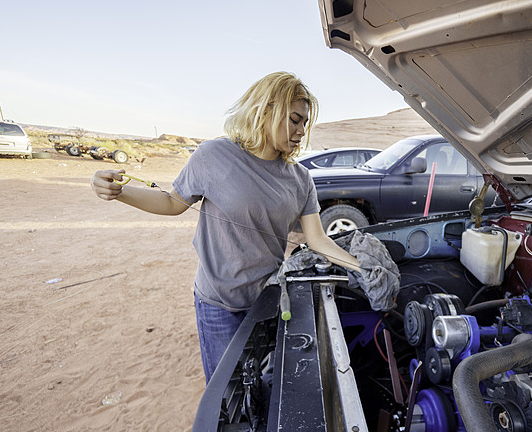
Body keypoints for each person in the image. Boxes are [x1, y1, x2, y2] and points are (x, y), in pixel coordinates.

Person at [90, 71, 361, 383]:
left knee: (264, 392)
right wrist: (120, 192)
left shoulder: (300, 179)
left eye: (305, 124)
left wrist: (362, 268)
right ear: (266, 110)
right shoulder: (213, 156)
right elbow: (171, 203)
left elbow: (318, 239)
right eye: (295, 119)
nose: (301, 131)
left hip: (266, 301)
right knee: (227, 397)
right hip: (217, 304)